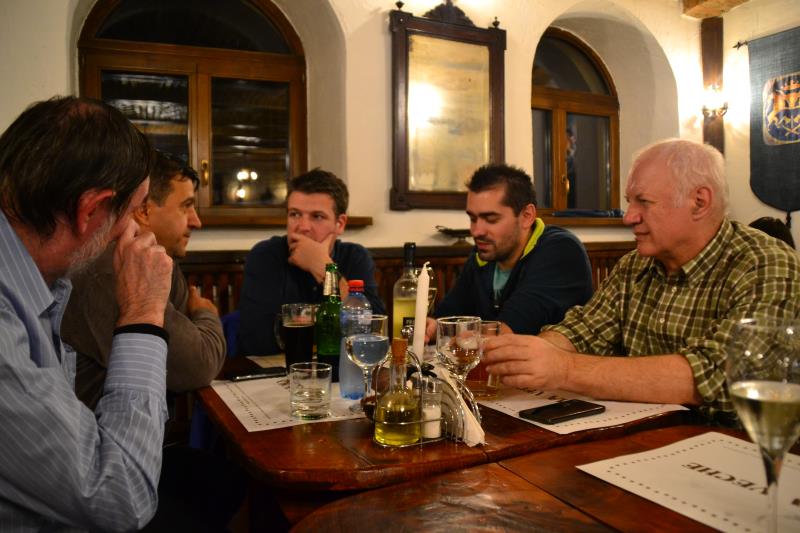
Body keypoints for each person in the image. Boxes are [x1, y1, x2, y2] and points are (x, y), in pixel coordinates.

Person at [483, 139, 800, 422]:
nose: (628, 217)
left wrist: (563, 369)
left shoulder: (766, 263)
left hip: (745, 453)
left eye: (643, 202)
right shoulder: (634, 265)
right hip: (647, 440)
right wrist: (521, 355)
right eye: (629, 201)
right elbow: (583, 331)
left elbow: (720, 376)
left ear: (699, 202)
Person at [0, 96, 172, 530]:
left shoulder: (40, 279)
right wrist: (143, 312)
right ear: (91, 210)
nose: (137, 230)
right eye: (134, 211)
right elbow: (121, 497)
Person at [63, 151, 225, 409]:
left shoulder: (158, 259)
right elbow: (199, 365)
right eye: (186, 206)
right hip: (97, 433)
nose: (197, 221)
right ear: (143, 210)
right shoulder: (112, 270)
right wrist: (206, 313)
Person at [425, 163, 594, 339]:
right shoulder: (483, 254)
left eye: (491, 219)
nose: (476, 231)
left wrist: (447, 332)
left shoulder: (561, 251)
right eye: (473, 219)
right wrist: (433, 327)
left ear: (527, 216)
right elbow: (447, 317)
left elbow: (507, 333)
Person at [238, 168, 384, 355]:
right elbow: (256, 341)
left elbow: (373, 330)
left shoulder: (355, 257)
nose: (302, 227)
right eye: (295, 214)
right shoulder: (265, 255)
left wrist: (325, 269)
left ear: (340, 223)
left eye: (317, 216)